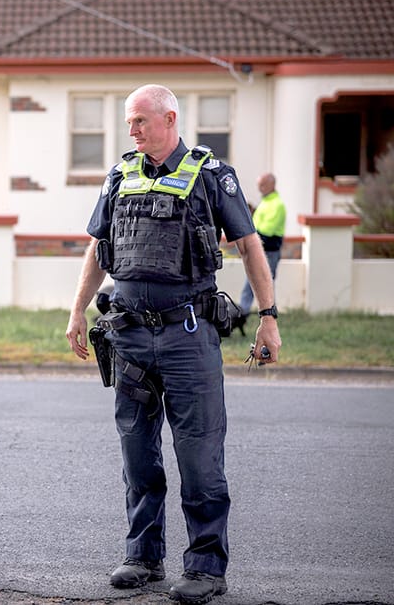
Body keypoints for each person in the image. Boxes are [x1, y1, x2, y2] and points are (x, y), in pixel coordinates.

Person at [65, 84, 282, 605]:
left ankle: (206, 567)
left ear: (170, 118)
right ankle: (143, 557)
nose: (132, 130)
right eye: (128, 122)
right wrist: (77, 307)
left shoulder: (212, 175)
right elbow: (99, 248)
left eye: (140, 120)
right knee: (137, 454)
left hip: (189, 336)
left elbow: (251, 245)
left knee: (199, 456)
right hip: (130, 336)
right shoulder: (120, 175)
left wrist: (269, 318)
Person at [238, 173, 286, 317]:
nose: (259, 188)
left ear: (272, 184)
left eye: (262, 185)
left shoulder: (277, 205)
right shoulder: (265, 202)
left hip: (269, 252)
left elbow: (267, 231)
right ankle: (247, 314)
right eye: (259, 185)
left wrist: (249, 236)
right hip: (259, 250)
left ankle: (256, 315)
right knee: (257, 284)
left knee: (264, 284)